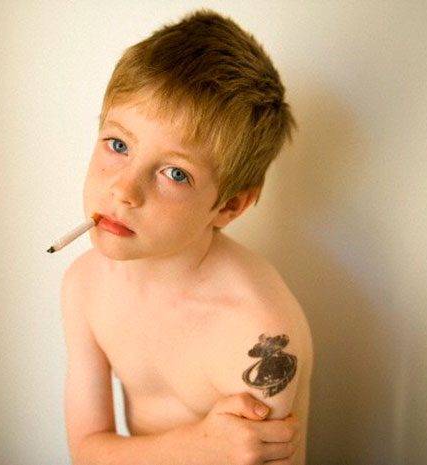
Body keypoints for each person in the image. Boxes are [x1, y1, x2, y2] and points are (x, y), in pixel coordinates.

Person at [61, 9, 312, 465]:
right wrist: (197, 447)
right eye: (118, 145)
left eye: (175, 173)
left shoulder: (257, 331)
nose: (123, 189)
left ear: (230, 205)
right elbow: (84, 451)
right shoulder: (84, 286)